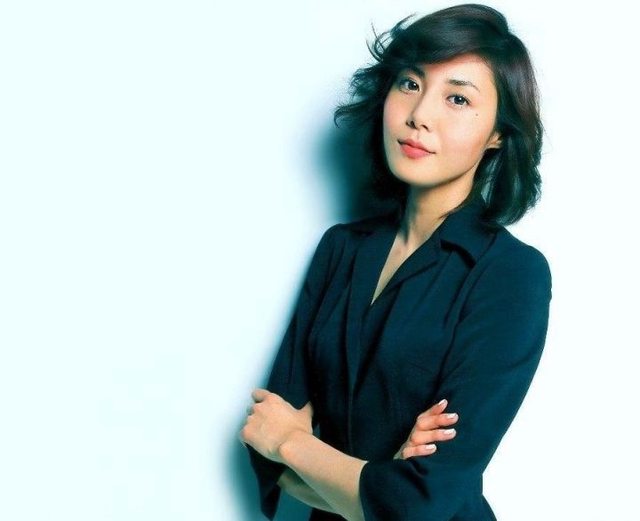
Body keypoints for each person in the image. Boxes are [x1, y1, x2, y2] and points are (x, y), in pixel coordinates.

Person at [239, 4, 552, 520]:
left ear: (498, 133)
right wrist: (381, 482)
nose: (419, 114)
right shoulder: (340, 249)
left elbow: (425, 502)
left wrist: (293, 443)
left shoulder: (510, 275)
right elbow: (263, 451)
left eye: (457, 98)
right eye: (410, 83)